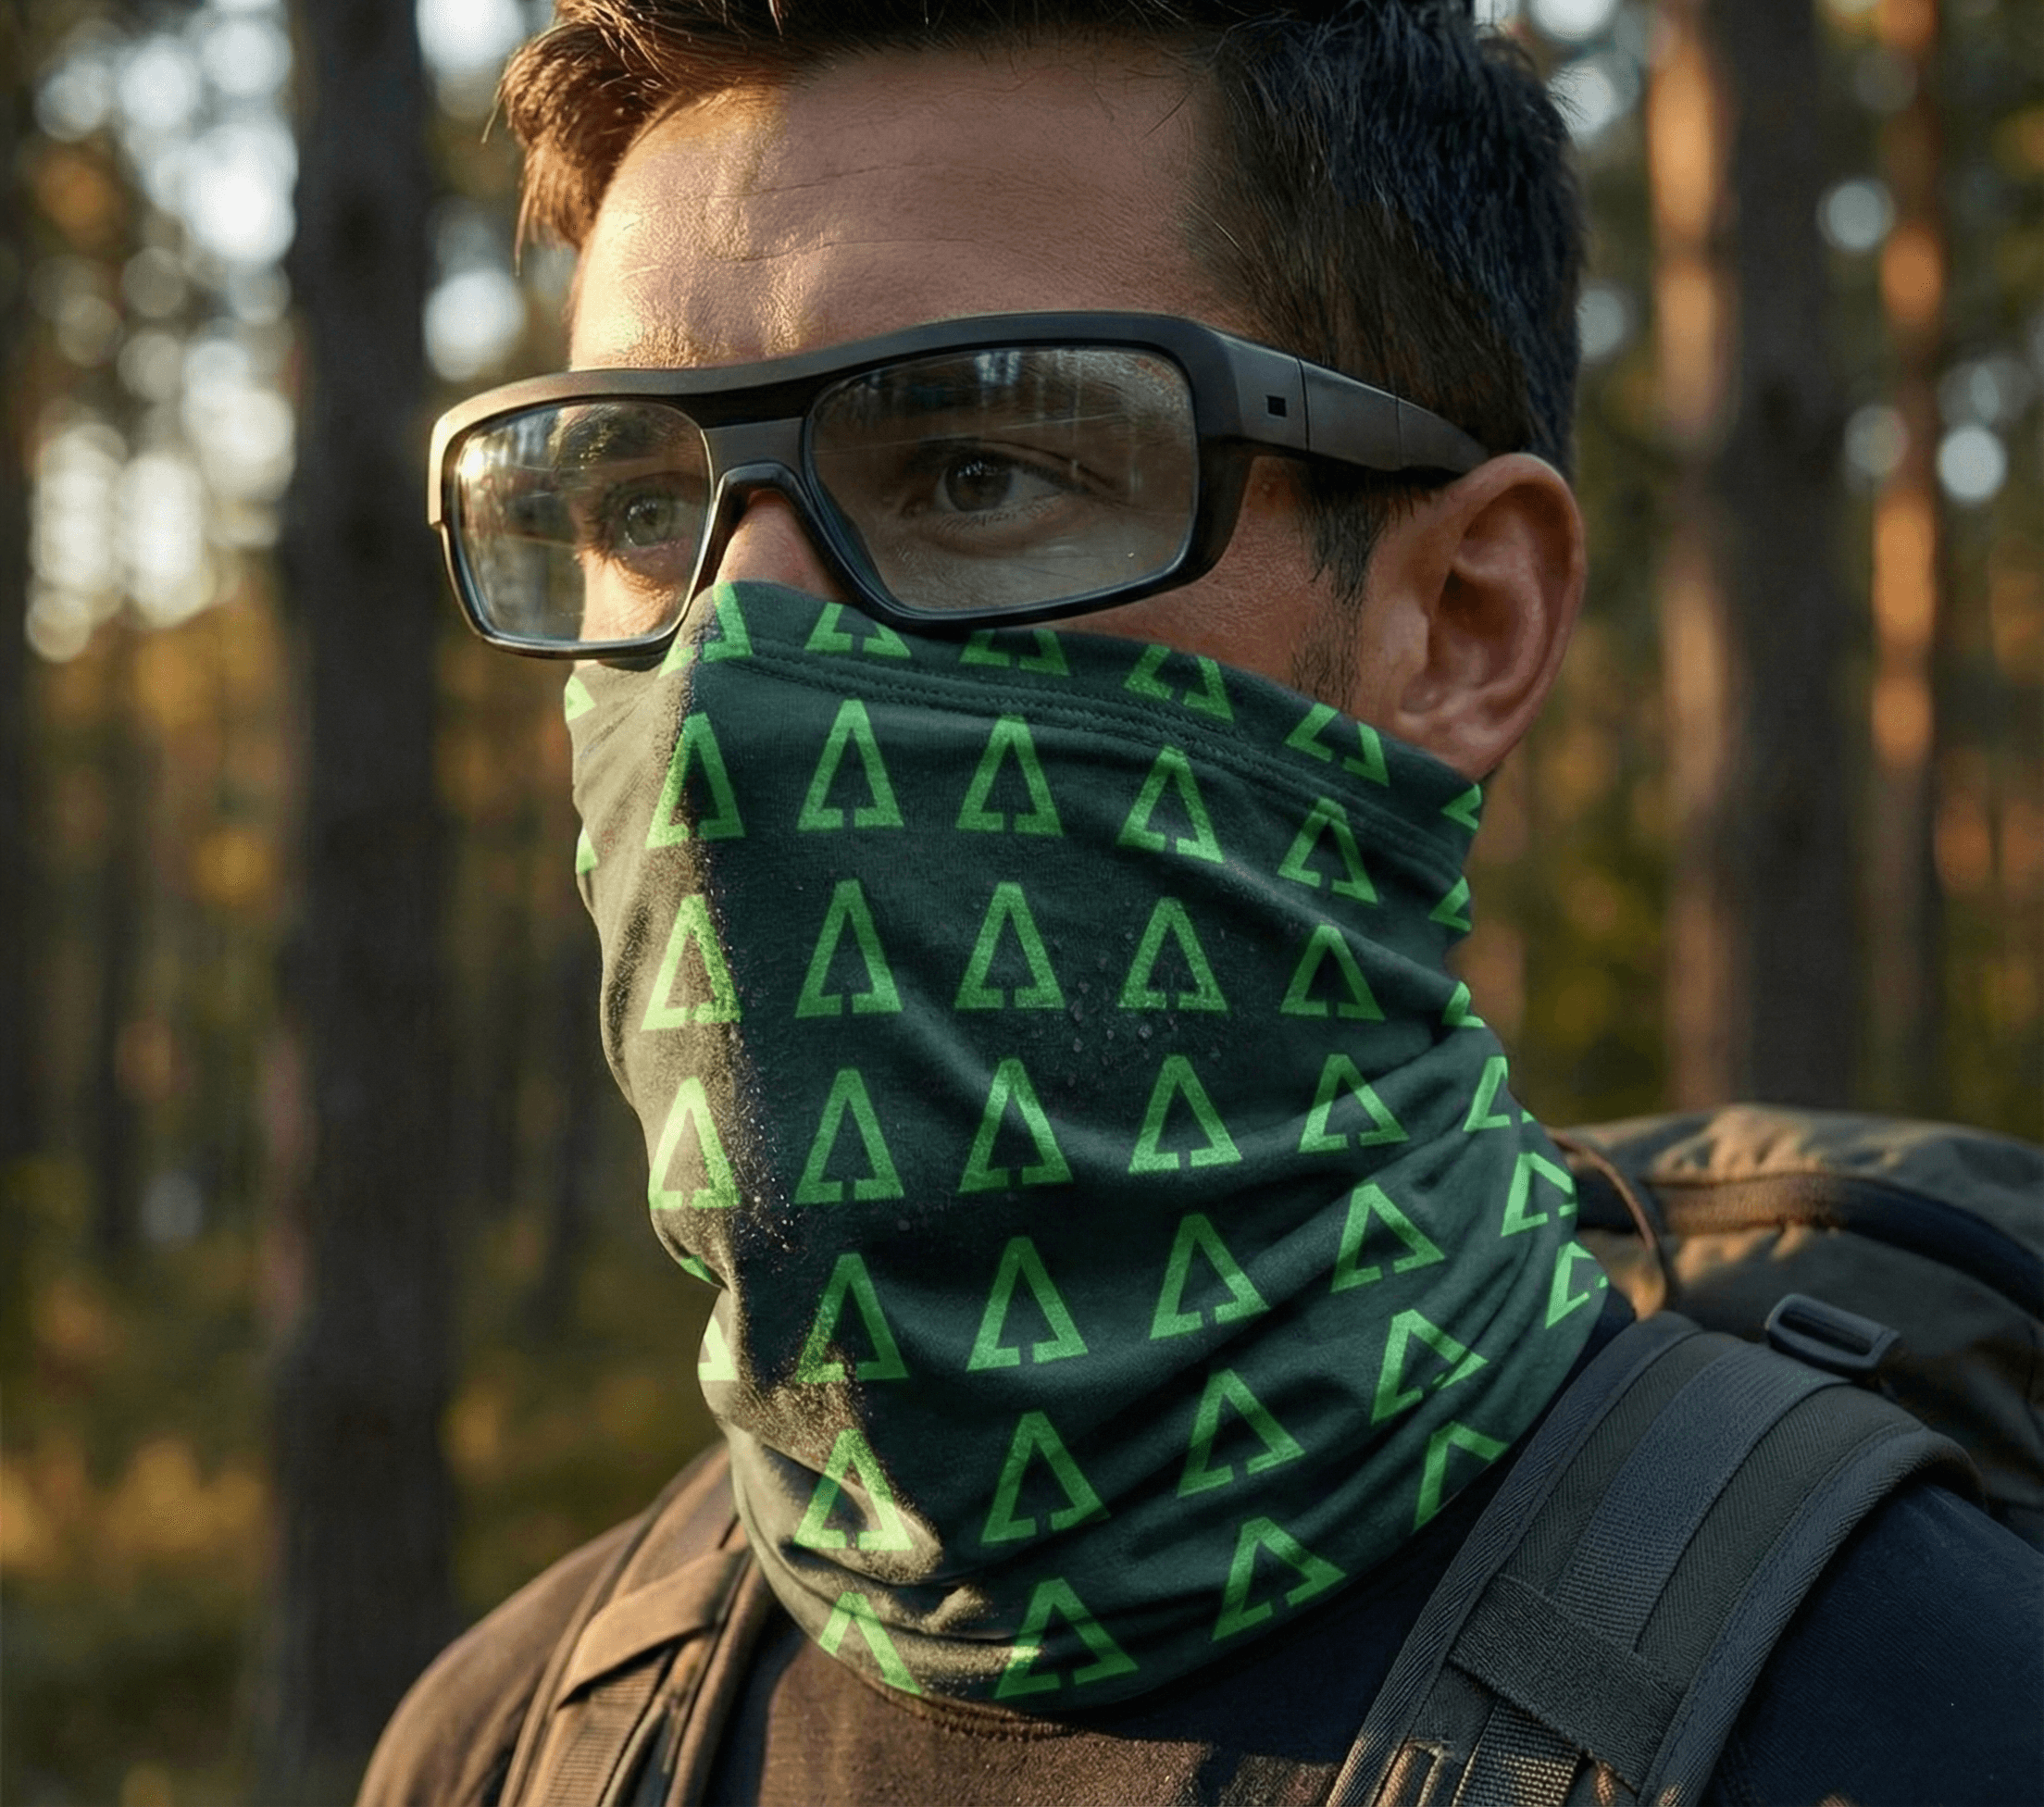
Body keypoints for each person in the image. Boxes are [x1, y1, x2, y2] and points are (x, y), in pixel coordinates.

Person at [365, 3, 2044, 1802]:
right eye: (637, 505)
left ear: (1461, 622)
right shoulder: (512, 1741)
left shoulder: (1944, 1719)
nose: (730, 655)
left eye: (981, 466)